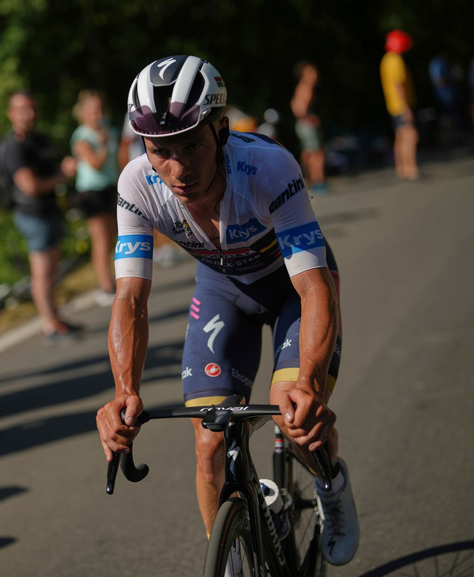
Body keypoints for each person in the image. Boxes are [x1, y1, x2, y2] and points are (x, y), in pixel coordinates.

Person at [95, 56, 359, 566]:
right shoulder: (135, 186)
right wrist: (125, 390)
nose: (177, 168)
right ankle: (233, 561)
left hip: (293, 286)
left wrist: (307, 379)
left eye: (192, 145)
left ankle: (331, 482)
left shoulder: (269, 168)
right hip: (223, 288)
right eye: (160, 151)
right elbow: (130, 298)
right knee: (208, 442)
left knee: (292, 413)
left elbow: (314, 287)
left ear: (221, 130)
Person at [2, 91, 80, 344]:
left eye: (32, 107)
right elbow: (30, 186)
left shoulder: (38, 139)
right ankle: (50, 324)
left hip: (49, 211)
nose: (29, 113)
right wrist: (62, 175)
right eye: (22, 109)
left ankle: (55, 318)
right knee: (42, 271)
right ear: (10, 114)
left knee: (51, 269)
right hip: (32, 215)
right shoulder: (15, 146)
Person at [70, 91, 118, 306]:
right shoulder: (81, 136)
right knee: (101, 240)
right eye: (92, 110)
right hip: (91, 192)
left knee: (116, 237)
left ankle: (117, 279)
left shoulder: (109, 129)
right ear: (83, 113)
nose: (97, 114)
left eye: (99, 109)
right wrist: (105, 145)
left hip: (111, 187)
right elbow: (95, 163)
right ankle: (105, 285)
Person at [119, 115, 185, 269]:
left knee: (163, 203)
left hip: (159, 162)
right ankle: (158, 249)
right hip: (144, 167)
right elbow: (125, 143)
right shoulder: (136, 112)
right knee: (154, 206)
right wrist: (125, 172)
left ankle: (164, 247)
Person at [380, 30, 419, 180]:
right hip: (400, 105)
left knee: (400, 136)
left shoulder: (386, 60)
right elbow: (399, 85)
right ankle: (411, 169)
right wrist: (406, 108)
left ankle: (401, 168)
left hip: (392, 105)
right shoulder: (396, 61)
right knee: (411, 135)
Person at [291, 62, 327, 193]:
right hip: (306, 124)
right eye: (310, 72)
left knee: (308, 153)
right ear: (303, 75)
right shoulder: (306, 87)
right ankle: (318, 182)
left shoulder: (301, 87)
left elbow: (294, 103)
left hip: (302, 124)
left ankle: (305, 180)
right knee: (318, 153)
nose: (314, 75)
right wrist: (308, 117)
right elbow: (298, 107)